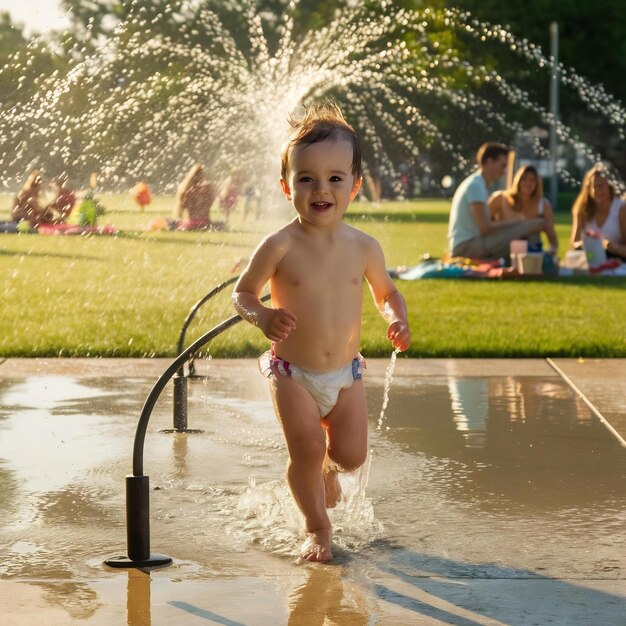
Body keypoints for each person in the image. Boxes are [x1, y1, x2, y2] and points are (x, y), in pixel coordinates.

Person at [232, 102, 411, 563]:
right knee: (307, 449)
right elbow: (243, 293)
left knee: (349, 455)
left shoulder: (363, 247)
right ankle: (317, 527)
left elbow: (387, 293)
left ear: (354, 186)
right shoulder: (280, 244)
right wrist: (264, 317)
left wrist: (395, 318)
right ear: (285, 186)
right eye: (306, 178)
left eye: (335, 178)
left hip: (346, 373)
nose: (321, 189)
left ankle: (329, 470)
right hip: (292, 372)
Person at [447, 143, 545, 260]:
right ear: (489, 162)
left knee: (527, 230)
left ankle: (534, 262)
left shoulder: (480, 185)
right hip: (466, 248)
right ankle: (540, 262)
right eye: (502, 166)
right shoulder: (475, 185)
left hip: (474, 244)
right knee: (534, 224)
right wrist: (515, 222)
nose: (504, 171)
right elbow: (485, 229)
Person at [488, 164, 559, 254]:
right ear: (517, 180)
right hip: (503, 250)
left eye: (533, 180)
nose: (528, 183)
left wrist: (550, 254)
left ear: (537, 183)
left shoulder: (544, 205)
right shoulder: (500, 199)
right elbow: (483, 224)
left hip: (531, 253)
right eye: (524, 179)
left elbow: (552, 239)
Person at [569, 164, 626, 261]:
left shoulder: (621, 208)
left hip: (618, 261)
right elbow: (574, 245)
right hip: (590, 259)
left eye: (600, 186)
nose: (596, 190)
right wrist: (585, 244)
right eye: (593, 186)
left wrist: (612, 247)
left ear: (610, 186)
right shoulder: (583, 208)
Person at [173, 164, 217, 229]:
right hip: (205, 224)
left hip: (190, 224)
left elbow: (181, 208)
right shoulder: (207, 189)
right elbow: (211, 201)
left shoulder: (186, 191)